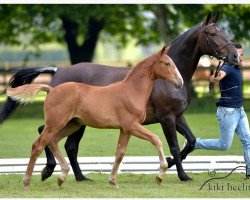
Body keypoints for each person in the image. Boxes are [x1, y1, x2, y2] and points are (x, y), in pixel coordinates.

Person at [195, 44, 250, 178]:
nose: (241, 58)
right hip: (228, 112)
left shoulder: (235, 67)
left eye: (242, 55)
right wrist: (214, 79)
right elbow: (219, 76)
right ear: (232, 54)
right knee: (224, 145)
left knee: (247, 140)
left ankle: (249, 171)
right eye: (238, 55)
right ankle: (194, 142)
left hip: (240, 111)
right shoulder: (227, 67)